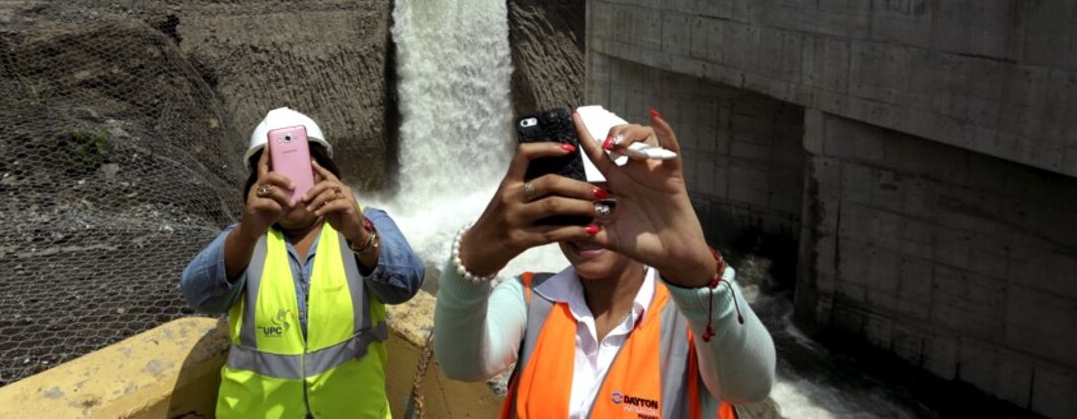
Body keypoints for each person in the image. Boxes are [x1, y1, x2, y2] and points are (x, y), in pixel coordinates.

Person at [434, 108, 775, 418]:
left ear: (644, 207)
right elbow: (461, 362)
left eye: (604, 204)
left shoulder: (695, 324)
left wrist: (697, 275)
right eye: (568, 207)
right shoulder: (529, 299)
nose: (588, 227)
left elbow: (749, 386)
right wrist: (473, 259)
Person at [181, 108, 424, 418]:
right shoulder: (244, 240)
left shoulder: (365, 224)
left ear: (323, 169)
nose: (290, 185)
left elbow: (406, 284)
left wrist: (359, 235)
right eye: (275, 173)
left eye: (297, 169)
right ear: (258, 181)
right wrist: (247, 231)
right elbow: (198, 294)